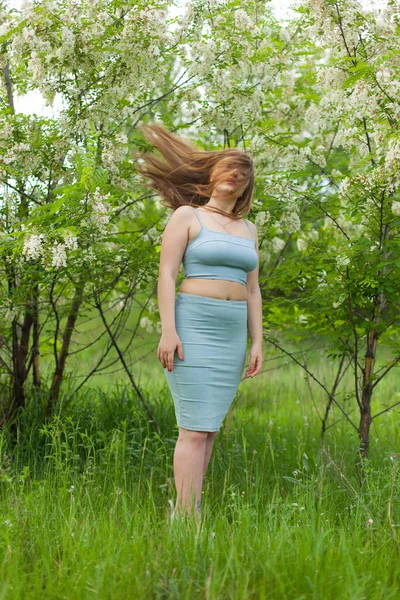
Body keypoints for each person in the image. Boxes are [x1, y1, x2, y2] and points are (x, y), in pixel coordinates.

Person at [136, 123, 263, 521]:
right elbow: (168, 275)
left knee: (208, 429)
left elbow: (254, 290)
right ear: (210, 174)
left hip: (231, 332)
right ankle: (185, 521)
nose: (236, 175)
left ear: (246, 188)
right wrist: (169, 329)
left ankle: (192, 513)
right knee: (193, 427)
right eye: (229, 168)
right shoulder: (187, 216)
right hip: (193, 325)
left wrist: (257, 341)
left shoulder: (249, 229)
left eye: (243, 174)